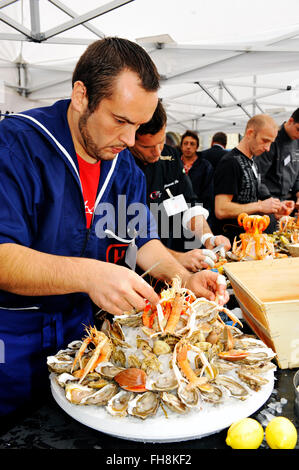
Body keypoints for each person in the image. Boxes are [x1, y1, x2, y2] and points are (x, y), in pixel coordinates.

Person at [0, 38, 228, 417]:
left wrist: (180, 277)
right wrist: (90, 274)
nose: (128, 139)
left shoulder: (123, 166)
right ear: (81, 95)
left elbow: (140, 241)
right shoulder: (16, 146)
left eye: (137, 126)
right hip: (13, 341)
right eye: (120, 121)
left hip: (82, 341)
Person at [130, 100, 231, 272]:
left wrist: (208, 238)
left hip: (169, 254)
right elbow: (130, 237)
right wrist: (178, 259)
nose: (157, 152)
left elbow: (187, 205)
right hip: (133, 269)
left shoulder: (170, 156)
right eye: (146, 147)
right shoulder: (121, 165)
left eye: (161, 141)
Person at [213, 114, 287, 244]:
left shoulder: (252, 161)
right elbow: (221, 209)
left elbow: (246, 199)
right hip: (233, 242)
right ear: (250, 133)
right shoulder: (230, 162)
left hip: (250, 240)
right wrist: (260, 205)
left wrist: (274, 207)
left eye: (271, 143)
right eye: (265, 141)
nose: (267, 148)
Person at [255, 108, 299, 213]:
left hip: (289, 203)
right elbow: (258, 176)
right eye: (298, 129)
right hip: (269, 202)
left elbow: (297, 175)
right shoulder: (272, 139)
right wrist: (271, 201)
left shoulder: (297, 142)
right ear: (291, 121)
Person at [180, 130, 214, 216]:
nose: (188, 147)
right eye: (185, 143)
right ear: (181, 146)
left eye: (192, 144)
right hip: (176, 213)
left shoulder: (205, 166)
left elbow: (208, 193)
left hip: (197, 211)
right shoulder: (174, 164)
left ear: (197, 147)